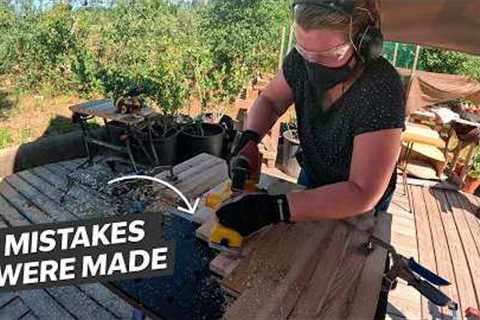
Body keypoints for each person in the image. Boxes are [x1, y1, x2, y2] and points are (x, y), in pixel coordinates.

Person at [216, 0, 405, 237]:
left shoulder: (381, 86)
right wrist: (250, 138)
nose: (311, 64)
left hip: (358, 202)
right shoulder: (299, 61)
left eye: (328, 55)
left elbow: (362, 192)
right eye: (304, 51)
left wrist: (277, 208)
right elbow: (270, 101)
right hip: (313, 174)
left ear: (364, 43)